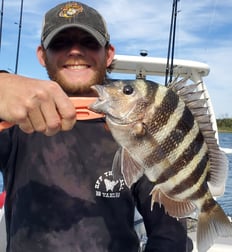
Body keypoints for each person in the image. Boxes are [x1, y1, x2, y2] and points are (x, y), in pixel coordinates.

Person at [0, 1, 187, 251]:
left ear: (108, 54)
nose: (75, 51)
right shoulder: (16, 123)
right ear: (42, 55)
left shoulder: (140, 129)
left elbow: (170, 234)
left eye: (88, 42)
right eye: (60, 43)